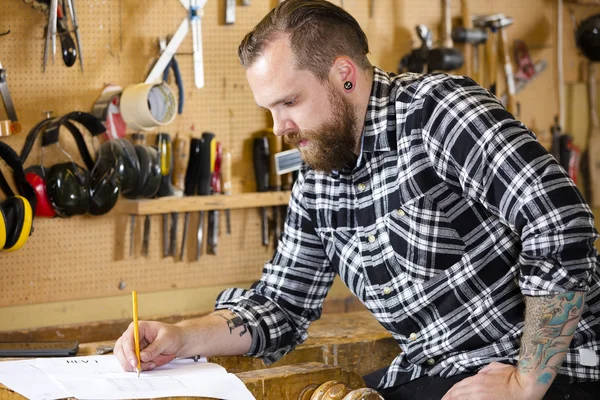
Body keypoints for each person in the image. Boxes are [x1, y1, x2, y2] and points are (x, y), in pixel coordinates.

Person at [115, 1, 600, 398]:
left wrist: (524, 383)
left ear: (344, 75)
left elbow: (559, 222)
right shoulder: (317, 175)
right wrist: (181, 337)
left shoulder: (436, 112)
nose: (279, 127)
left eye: (288, 103)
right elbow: (281, 305)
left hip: (553, 374)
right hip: (440, 376)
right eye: (269, 109)